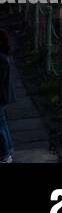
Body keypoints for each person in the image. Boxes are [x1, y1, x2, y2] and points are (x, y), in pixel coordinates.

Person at [0, 29, 13, 162]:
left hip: (0, 96)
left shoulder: (1, 59)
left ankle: (5, 154)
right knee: (2, 123)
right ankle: (8, 149)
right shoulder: (3, 57)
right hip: (2, 95)